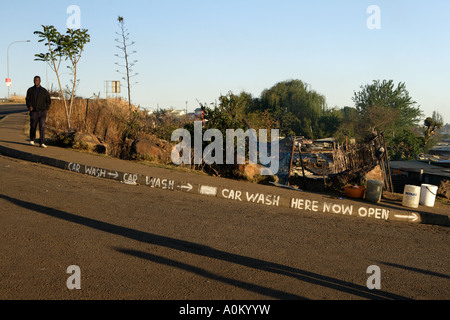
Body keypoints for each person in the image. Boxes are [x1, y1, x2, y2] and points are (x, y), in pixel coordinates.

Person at [26, 76, 51, 148]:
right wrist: (29, 106)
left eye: (37, 80)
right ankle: (32, 140)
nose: (36, 81)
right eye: (35, 80)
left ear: (40, 81)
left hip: (42, 112)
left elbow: (48, 100)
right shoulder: (30, 90)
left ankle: (42, 142)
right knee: (33, 126)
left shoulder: (44, 91)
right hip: (34, 111)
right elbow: (27, 100)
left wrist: (46, 108)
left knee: (42, 127)